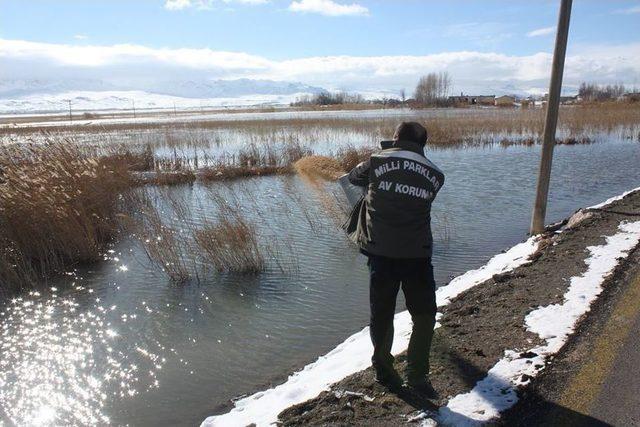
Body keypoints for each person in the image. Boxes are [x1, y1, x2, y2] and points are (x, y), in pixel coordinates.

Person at [345, 122, 444, 396]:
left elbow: (353, 178)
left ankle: (385, 372)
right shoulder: (436, 174)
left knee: (382, 314)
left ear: (396, 137)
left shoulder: (377, 161)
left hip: (381, 254)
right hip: (417, 255)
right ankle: (418, 377)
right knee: (424, 315)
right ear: (423, 143)